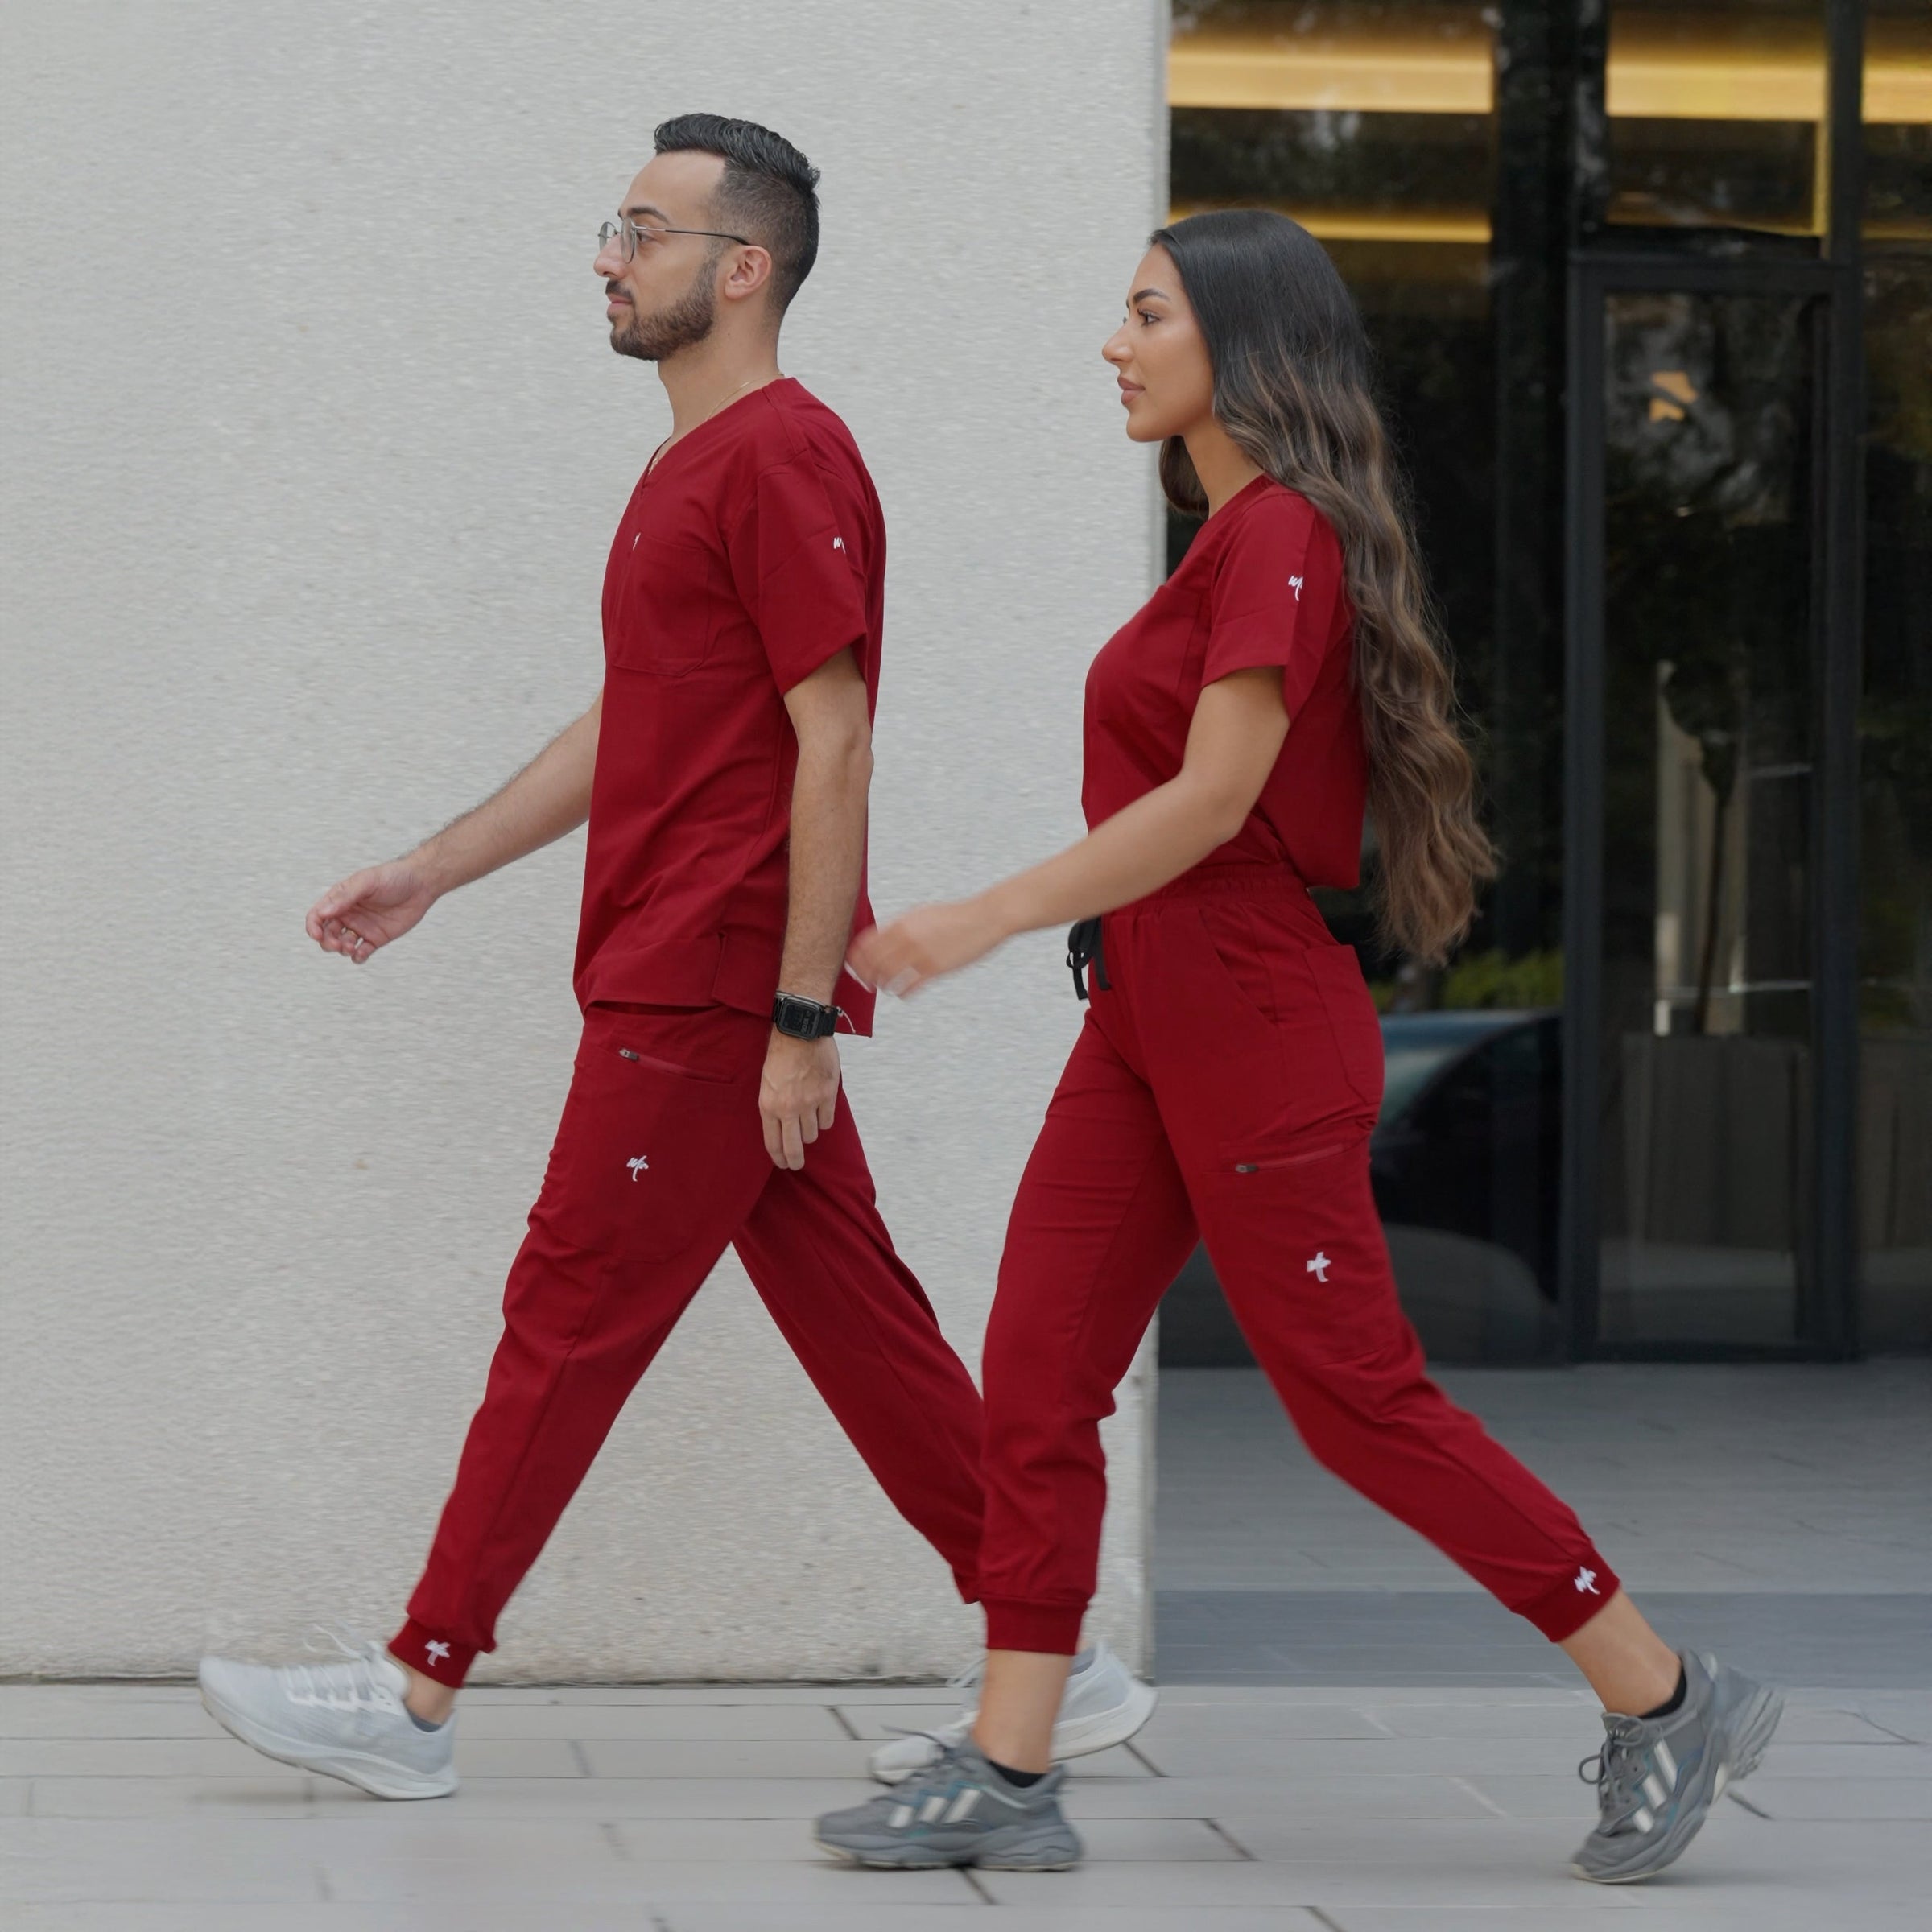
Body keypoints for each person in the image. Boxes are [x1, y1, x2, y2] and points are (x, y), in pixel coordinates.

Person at [814, 209, 1782, 1881]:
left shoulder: (1283, 535)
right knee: (1038, 1376)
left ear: (1240, 344)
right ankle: (1011, 1765)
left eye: (1144, 315)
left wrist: (976, 919)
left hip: (1249, 1024)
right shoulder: (1226, 545)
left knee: (1355, 1405)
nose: (1113, 345)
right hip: (1148, 1024)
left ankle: (1663, 1694)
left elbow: (1210, 803)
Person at [196, 114, 1152, 1801]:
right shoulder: (691, 468)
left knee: (564, 1314)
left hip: (710, 983)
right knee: (864, 1326)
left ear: (742, 267)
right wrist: (435, 867)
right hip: (694, 973)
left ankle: (415, 1695)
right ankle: (1045, 1650)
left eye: (641, 228)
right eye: (615, 226)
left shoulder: (785, 456)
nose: (607, 256)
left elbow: (833, 742)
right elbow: (637, 725)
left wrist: (800, 1015)